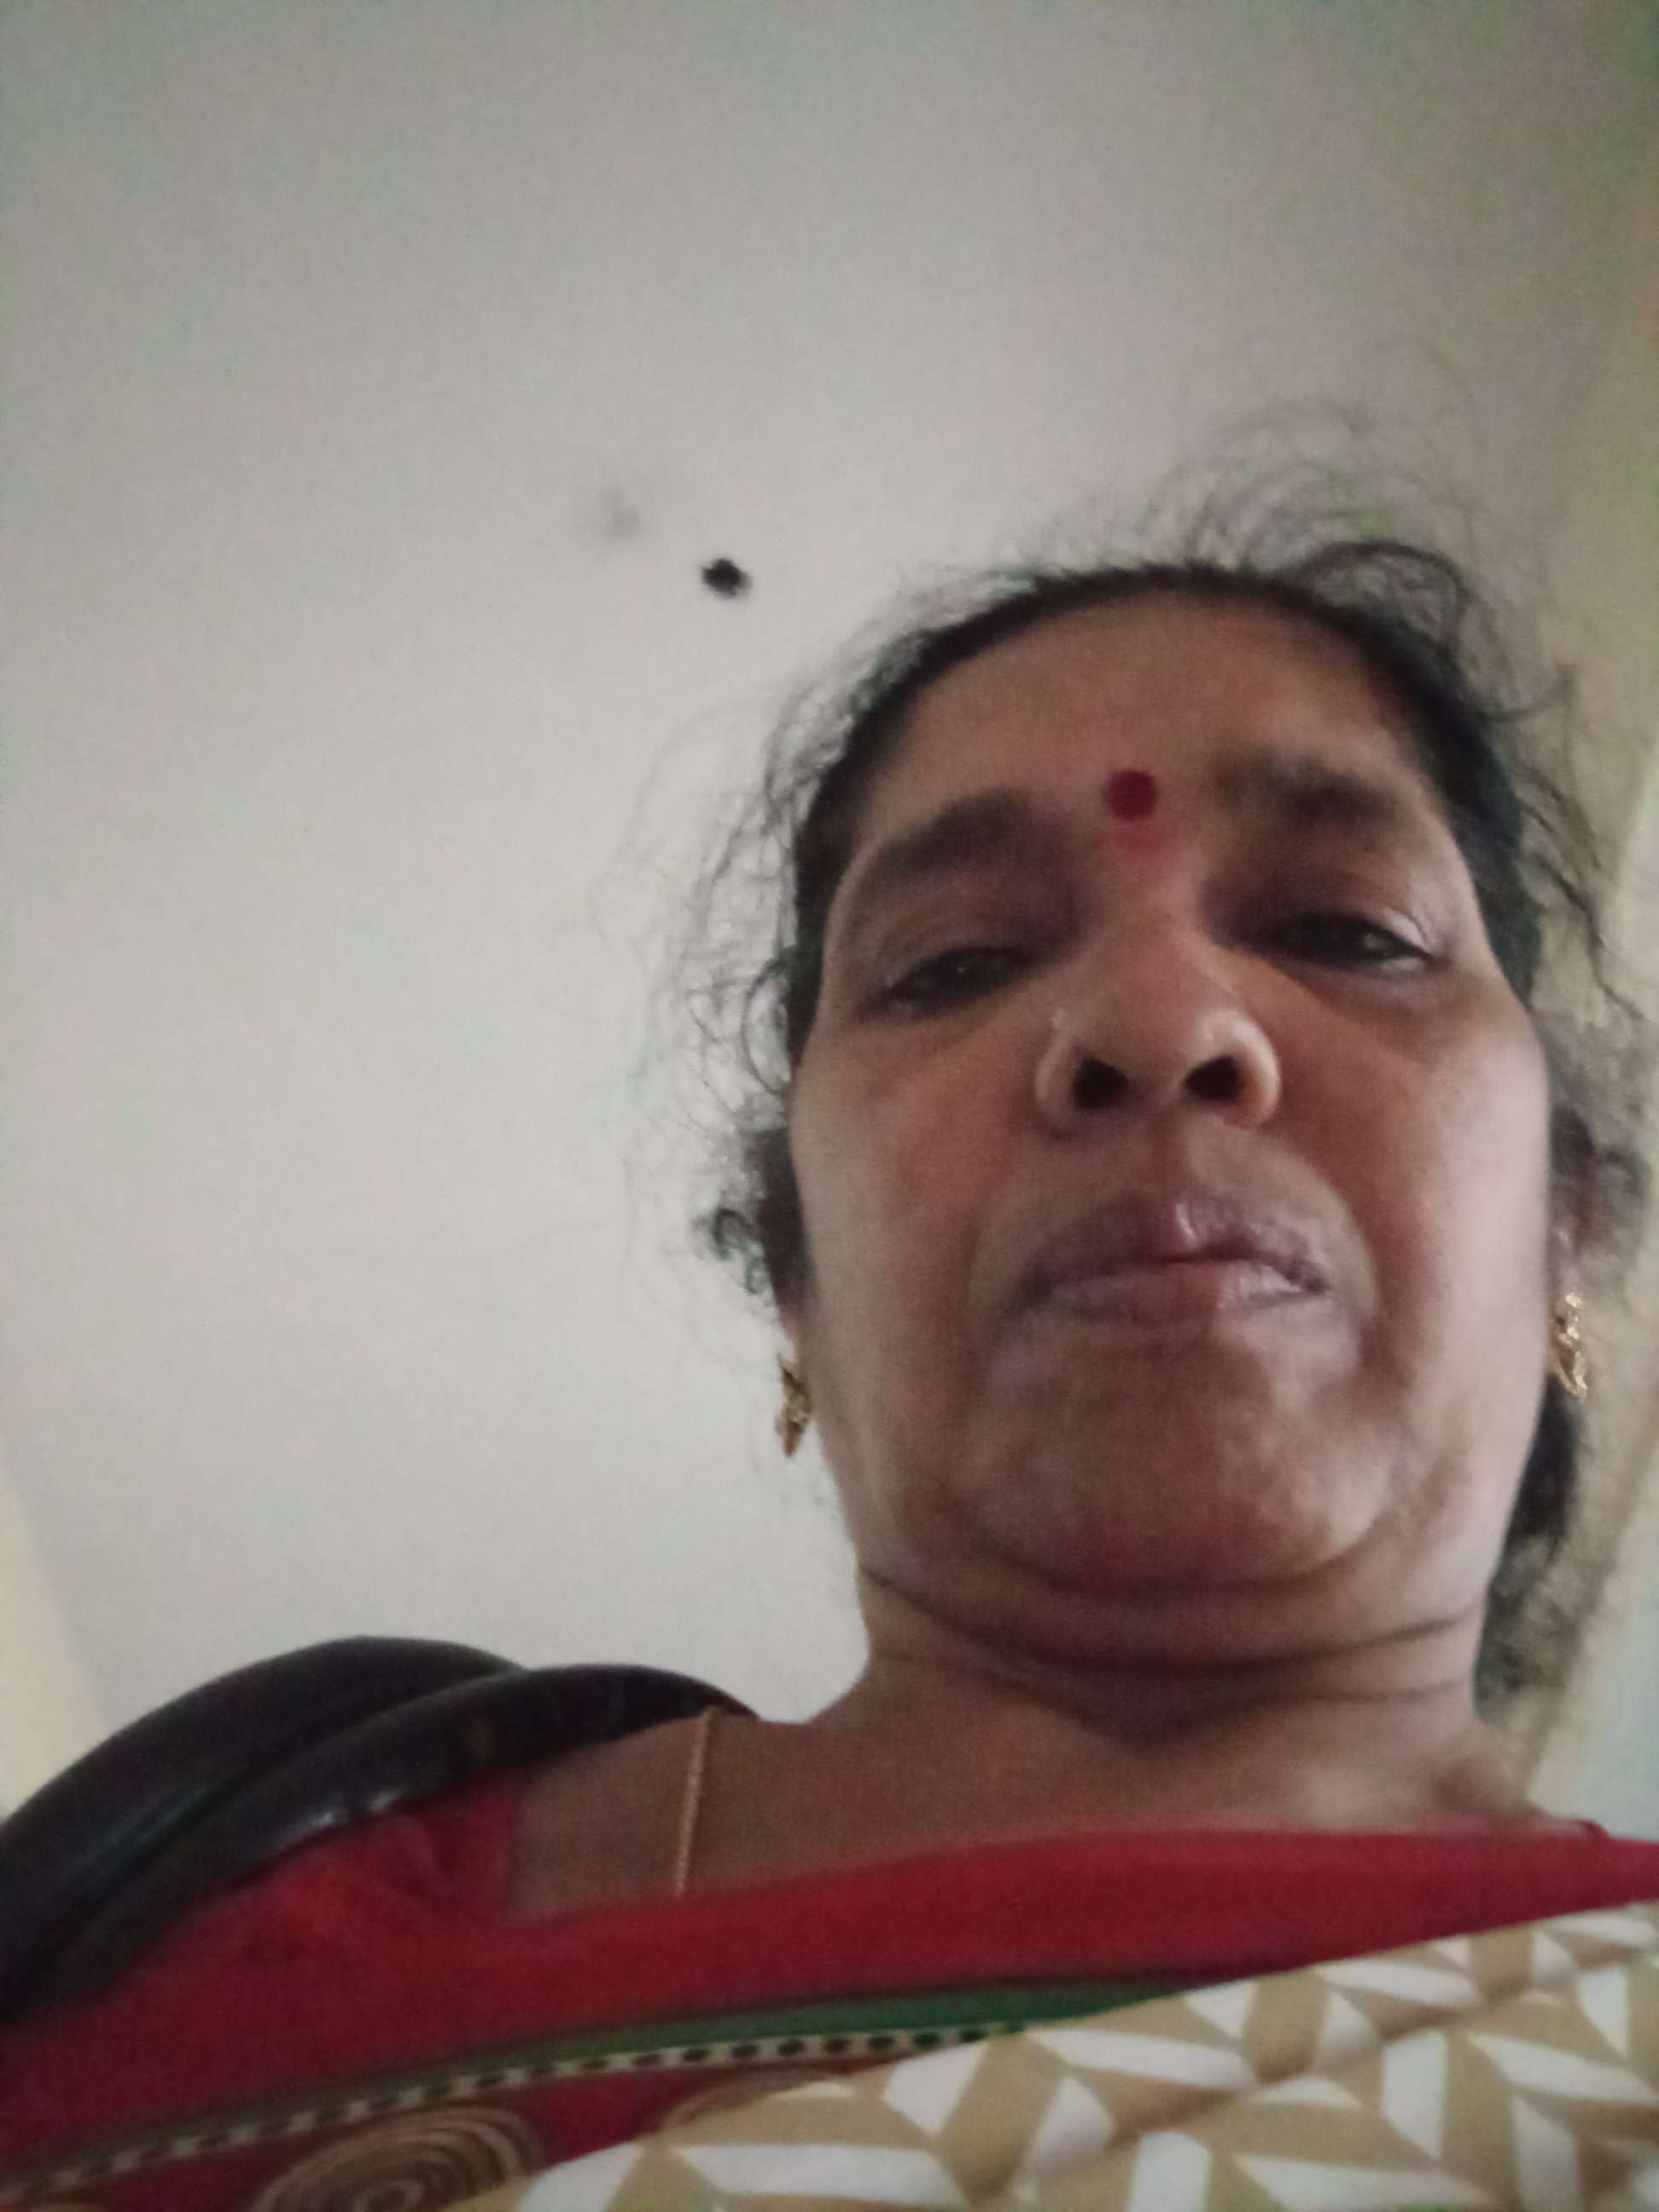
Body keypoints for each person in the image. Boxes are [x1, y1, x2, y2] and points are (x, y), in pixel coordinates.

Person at [3, 512, 1657, 2212]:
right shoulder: (204, 1918)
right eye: (956, 963)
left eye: (1348, 929)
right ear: (796, 1289)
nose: (1158, 1023)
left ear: (1566, 1229)